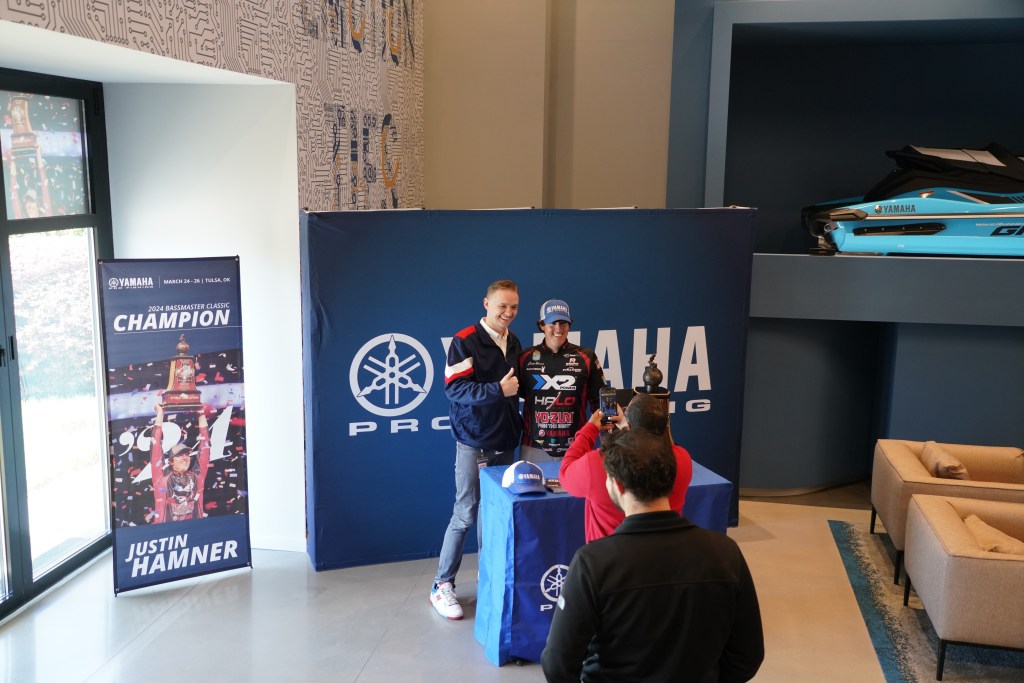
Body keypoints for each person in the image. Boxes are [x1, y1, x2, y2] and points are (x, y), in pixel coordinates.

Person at [541, 429, 764, 683]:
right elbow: (748, 657)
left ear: (617, 485)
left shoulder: (592, 563)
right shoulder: (726, 553)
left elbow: (558, 664)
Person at [430, 279, 523, 620]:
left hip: (505, 441)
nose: (508, 312)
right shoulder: (465, 340)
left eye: (514, 307)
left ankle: (488, 579)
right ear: (486, 304)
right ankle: (441, 585)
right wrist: (498, 389)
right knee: (466, 512)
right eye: (502, 306)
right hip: (474, 441)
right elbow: (455, 390)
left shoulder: (513, 341)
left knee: (493, 514)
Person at [560, 392, 692, 542]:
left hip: (608, 553)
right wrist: (626, 426)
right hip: (666, 550)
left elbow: (565, 472)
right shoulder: (683, 459)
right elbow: (644, 445)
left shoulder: (597, 463)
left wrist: (590, 429)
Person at [517, 299, 605, 462]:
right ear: (542, 325)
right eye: (552, 323)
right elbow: (511, 398)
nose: (558, 328)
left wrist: (608, 440)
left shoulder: (586, 357)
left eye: (563, 323)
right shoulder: (524, 358)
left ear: (569, 325)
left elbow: (600, 403)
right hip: (533, 447)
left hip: (576, 446)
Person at [150, 404, 211, 523]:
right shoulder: (161, 478)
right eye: (179, 455)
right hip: (167, 531)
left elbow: (205, 447)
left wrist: (201, 414)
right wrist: (160, 414)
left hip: (194, 529)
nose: (185, 457)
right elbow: (155, 445)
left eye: (187, 454)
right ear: (171, 461)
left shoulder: (197, 476)